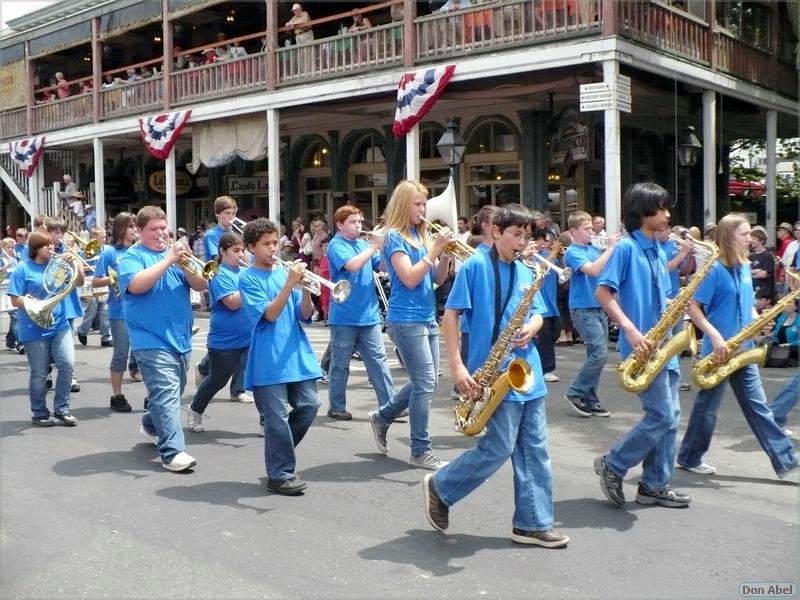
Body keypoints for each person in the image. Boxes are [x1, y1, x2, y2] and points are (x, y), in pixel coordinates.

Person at [423, 203, 568, 548]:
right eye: (515, 234)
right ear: (496, 232)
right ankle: (441, 486)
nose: (521, 242)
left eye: (525, 236)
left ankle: (533, 523)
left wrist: (531, 329)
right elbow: (451, 315)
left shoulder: (526, 270)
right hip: (493, 372)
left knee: (535, 449)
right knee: (499, 448)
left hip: (525, 370)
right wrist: (457, 367)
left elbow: (537, 315)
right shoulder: (475, 265)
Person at [677, 213, 798, 479]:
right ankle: (689, 457)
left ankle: (787, 460)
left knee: (758, 407)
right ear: (728, 236)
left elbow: (745, 304)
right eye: (744, 234)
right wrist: (715, 336)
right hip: (719, 349)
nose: (750, 239)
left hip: (742, 348)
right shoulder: (714, 269)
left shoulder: (744, 265)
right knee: (707, 409)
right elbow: (693, 308)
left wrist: (757, 322)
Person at [594, 182, 690, 508]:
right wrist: (631, 330)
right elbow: (603, 293)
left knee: (672, 416)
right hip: (642, 346)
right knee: (661, 416)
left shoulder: (657, 250)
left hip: (664, 344)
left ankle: (654, 485)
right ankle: (614, 463)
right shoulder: (625, 249)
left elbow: (658, 295)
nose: (667, 214)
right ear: (642, 212)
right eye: (661, 208)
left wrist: (677, 305)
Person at [367, 180, 453, 470]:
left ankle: (383, 417)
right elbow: (410, 278)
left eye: (424, 203)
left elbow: (436, 280)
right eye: (417, 203)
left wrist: (447, 256)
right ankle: (419, 450)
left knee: (427, 382)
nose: (423, 208)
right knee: (426, 383)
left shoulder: (423, 235)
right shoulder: (394, 238)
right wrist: (434, 251)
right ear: (404, 205)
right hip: (405, 319)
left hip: (427, 316)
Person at [117, 206, 208, 472]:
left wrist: (186, 263)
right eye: (154, 229)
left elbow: (201, 284)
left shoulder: (177, 256)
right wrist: (169, 259)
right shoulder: (132, 257)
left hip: (180, 336)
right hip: (149, 338)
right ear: (140, 232)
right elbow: (136, 285)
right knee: (167, 394)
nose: (161, 233)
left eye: (163, 228)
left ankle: (150, 424)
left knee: (171, 392)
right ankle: (172, 452)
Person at [239, 218, 321, 495]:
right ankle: (280, 473)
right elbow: (270, 314)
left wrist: (308, 291)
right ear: (251, 247)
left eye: (275, 243)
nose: (273, 249)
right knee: (276, 419)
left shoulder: (283, 273)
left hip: (296, 353)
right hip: (268, 358)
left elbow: (303, 315)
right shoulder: (248, 278)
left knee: (310, 405)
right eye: (266, 244)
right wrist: (289, 284)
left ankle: (278, 454)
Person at [324, 205, 395, 420]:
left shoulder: (364, 244)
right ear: (339, 225)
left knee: (379, 361)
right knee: (340, 364)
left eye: (359, 221)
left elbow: (381, 267)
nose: (358, 226)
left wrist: (384, 249)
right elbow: (353, 266)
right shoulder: (336, 245)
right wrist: (374, 246)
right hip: (345, 315)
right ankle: (336, 406)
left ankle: (390, 405)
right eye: (353, 222)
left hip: (369, 314)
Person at [7, 231, 81, 426]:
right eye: (45, 245)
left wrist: (75, 264)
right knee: (39, 372)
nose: (51, 247)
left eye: (51, 244)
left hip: (60, 324)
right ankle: (39, 413)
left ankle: (62, 409)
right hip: (33, 327)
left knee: (67, 365)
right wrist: (37, 306)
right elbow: (14, 298)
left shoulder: (57, 265)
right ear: (35, 248)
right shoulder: (22, 269)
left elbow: (78, 282)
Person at [188, 232, 255, 433]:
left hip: (250, 337)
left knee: (259, 381)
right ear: (222, 252)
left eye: (242, 250)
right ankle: (196, 409)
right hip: (224, 340)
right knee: (217, 381)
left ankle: (266, 421)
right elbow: (233, 303)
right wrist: (254, 284)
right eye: (235, 251)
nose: (240, 254)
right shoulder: (216, 273)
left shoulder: (246, 272)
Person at [562, 210, 619, 417]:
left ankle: (590, 398)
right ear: (573, 231)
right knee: (599, 353)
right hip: (582, 307)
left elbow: (606, 273)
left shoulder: (594, 249)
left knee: (597, 354)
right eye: (586, 229)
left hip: (598, 306)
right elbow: (593, 270)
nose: (591, 232)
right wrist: (610, 248)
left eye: (591, 228)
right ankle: (575, 392)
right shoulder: (572, 251)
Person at [93, 212, 137, 412]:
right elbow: (96, 280)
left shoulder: (139, 250)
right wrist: (114, 279)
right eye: (131, 226)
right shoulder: (110, 252)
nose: (135, 230)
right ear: (121, 229)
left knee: (146, 352)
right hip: (119, 309)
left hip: (140, 307)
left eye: (136, 226)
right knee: (121, 353)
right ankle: (117, 395)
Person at [531, 229, 562, 382]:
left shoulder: (548, 256)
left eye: (546, 241)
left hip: (551, 304)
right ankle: (546, 369)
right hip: (539, 305)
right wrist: (553, 252)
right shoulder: (531, 257)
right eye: (540, 240)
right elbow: (540, 269)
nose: (543, 244)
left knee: (552, 336)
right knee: (544, 340)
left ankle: (543, 368)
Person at [77, 227, 113, 348]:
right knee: (91, 311)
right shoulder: (86, 251)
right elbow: (81, 265)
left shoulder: (107, 250)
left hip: (103, 282)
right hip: (90, 283)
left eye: (105, 236)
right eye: (102, 237)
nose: (104, 239)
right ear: (94, 238)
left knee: (105, 311)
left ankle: (105, 337)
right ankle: (82, 331)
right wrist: (94, 268)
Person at [749, 226, 775, 300]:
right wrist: (757, 271)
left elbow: (763, 274)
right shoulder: (751, 255)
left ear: (762, 241)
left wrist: (750, 273)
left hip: (763, 294)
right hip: (752, 291)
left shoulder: (767, 255)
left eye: (754, 239)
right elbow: (746, 272)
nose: (751, 241)